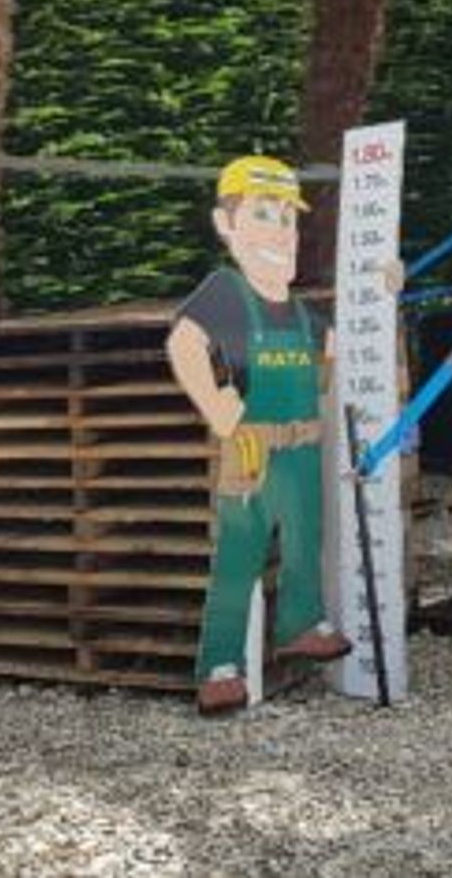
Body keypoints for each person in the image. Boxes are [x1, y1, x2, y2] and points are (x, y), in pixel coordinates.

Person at [167, 155, 352, 715]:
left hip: (301, 449)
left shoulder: (298, 313)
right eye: (263, 214)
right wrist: (220, 409)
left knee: (304, 540)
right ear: (226, 225)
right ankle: (220, 667)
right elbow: (183, 343)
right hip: (250, 451)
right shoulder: (225, 293)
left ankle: (301, 622)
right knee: (239, 558)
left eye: (287, 220)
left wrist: (380, 288)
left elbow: (339, 352)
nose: (280, 232)